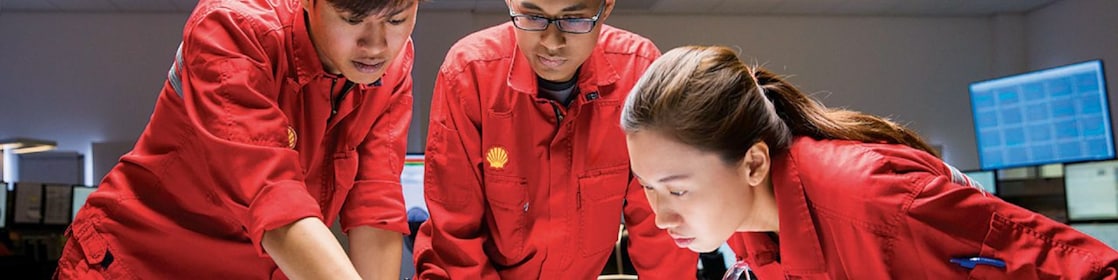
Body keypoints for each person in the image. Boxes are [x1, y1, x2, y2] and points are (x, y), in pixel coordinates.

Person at [621, 45, 1118, 279]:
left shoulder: (875, 200)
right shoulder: (748, 229)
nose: (661, 217)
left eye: (677, 189)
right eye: (646, 187)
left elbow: (1092, 271)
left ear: (753, 164)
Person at [55, 0, 419, 279]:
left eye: (397, 20)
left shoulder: (392, 66)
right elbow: (273, 201)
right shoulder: (231, 29)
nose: (375, 45)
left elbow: (376, 201)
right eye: (352, 20)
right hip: (137, 263)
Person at [412, 0, 698, 278]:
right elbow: (457, 240)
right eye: (533, 17)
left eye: (573, 20)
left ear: (606, 7)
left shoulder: (638, 74)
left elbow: (661, 230)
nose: (551, 42)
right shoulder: (470, 73)